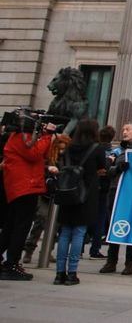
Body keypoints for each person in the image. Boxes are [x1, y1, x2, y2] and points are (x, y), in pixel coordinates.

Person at [0, 118, 55, 280]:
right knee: (20, 227)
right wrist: (47, 136)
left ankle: (9, 262)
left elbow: (40, 154)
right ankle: (12, 264)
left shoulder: (19, 137)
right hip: (25, 187)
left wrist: (44, 137)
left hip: (20, 187)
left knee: (11, 225)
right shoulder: (21, 138)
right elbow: (34, 154)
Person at [54, 119, 106, 285]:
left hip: (67, 191)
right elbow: (102, 167)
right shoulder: (96, 148)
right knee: (78, 232)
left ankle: (59, 273)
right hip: (86, 194)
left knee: (64, 233)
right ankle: (72, 273)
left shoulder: (69, 147)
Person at [99, 123, 132, 275]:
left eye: (128, 130)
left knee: (131, 225)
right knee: (114, 224)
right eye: (124, 129)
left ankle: (129, 263)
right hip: (116, 189)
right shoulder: (117, 150)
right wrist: (118, 168)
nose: (124, 132)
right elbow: (107, 170)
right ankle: (111, 261)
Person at [22, 134, 70, 264]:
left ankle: (47, 250)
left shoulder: (67, 157)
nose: (62, 150)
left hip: (58, 192)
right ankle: (29, 250)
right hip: (45, 192)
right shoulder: (48, 155)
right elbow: (38, 166)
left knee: (55, 224)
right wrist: (49, 168)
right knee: (41, 220)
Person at [87, 125, 116, 260]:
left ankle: (81, 247)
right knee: (100, 218)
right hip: (104, 187)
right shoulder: (112, 151)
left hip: (91, 186)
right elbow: (106, 168)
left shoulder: (93, 148)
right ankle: (95, 248)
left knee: (86, 217)